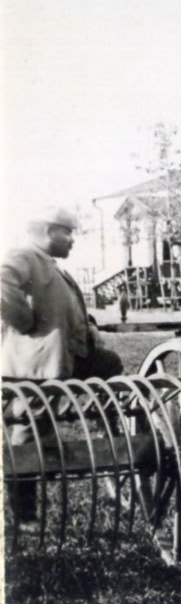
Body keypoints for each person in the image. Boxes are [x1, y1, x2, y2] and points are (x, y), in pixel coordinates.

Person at [3, 206, 124, 520]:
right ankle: (25, 513)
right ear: (46, 231)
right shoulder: (25, 257)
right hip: (36, 365)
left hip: (68, 357)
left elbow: (68, 308)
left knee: (109, 363)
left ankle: (104, 424)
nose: (72, 239)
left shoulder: (52, 267)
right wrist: (24, 321)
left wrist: (91, 329)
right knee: (28, 430)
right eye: (66, 232)